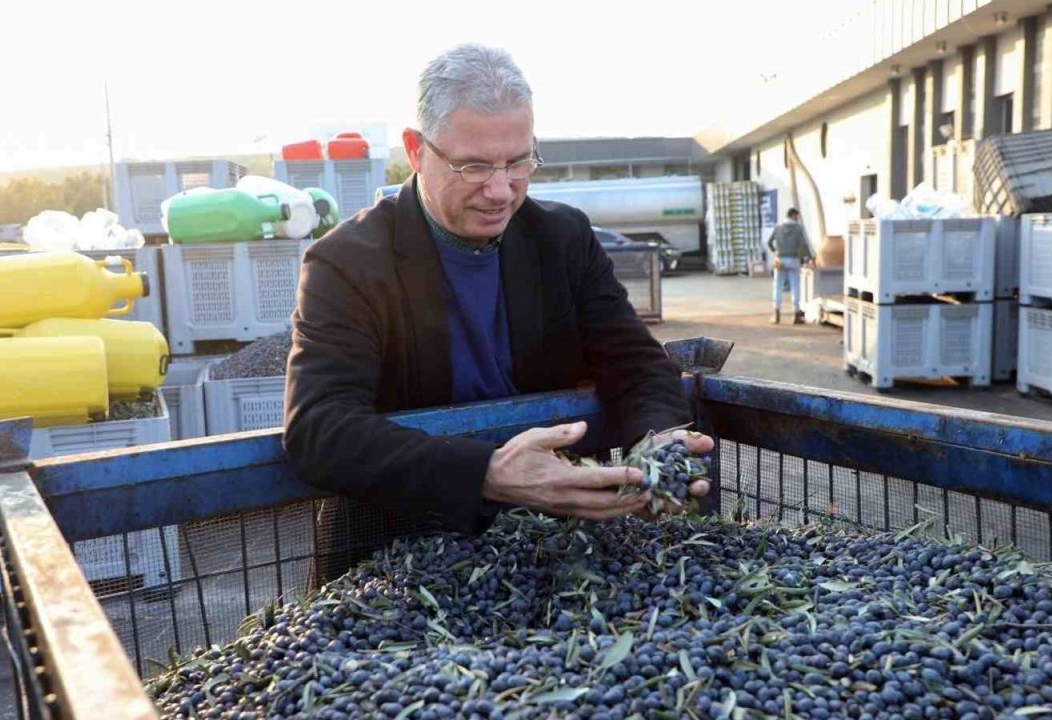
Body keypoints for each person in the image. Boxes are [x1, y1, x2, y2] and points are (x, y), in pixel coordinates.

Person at [282, 43, 713, 576]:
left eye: (517, 162)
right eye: (474, 167)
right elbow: (320, 429)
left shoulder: (562, 238)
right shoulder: (346, 263)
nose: (500, 191)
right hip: (396, 560)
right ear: (417, 151)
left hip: (551, 550)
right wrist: (487, 472)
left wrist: (660, 441)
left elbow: (637, 365)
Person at [766, 207, 816, 324]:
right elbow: (804, 245)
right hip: (793, 260)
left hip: (780, 260)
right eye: (797, 216)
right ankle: (796, 314)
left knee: (777, 286)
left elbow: (769, 242)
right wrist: (810, 258)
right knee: (795, 286)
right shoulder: (798, 228)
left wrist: (775, 251)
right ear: (793, 215)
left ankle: (776, 313)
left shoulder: (778, 227)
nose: (798, 219)